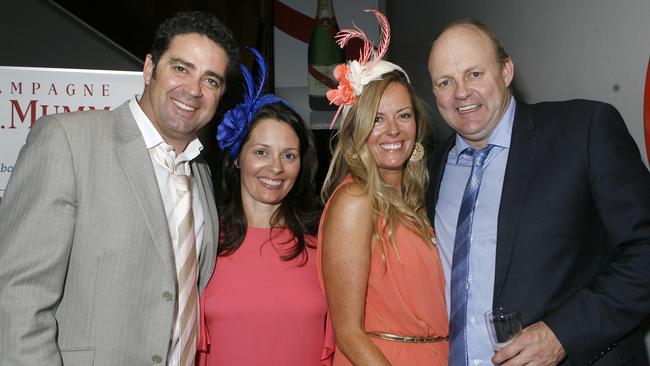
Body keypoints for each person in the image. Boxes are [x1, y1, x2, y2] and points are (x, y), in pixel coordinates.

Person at [0, 11, 238, 366]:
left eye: (211, 81)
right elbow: (18, 298)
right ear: (148, 68)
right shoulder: (68, 140)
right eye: (180, 68)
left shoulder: (201, 172)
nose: (193, 90)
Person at [426, 19, 650, 366]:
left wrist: (563, 334)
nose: (460, 92)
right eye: (445, 82)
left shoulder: (583, 131)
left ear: (506, 70)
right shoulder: (434, 166)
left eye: (474, 74)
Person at [318, 10, 449, 365]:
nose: (393, 130)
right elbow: (347, 333)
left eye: (403, 115)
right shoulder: (355, 200)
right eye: (377, 118)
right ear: (358, 130)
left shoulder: (423, 198)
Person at [196, 48, 331, 366]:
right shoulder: (205, 241)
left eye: (289, 155)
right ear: (236, 158)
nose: (276, 168)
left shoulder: (324, 243)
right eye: (261, 152)